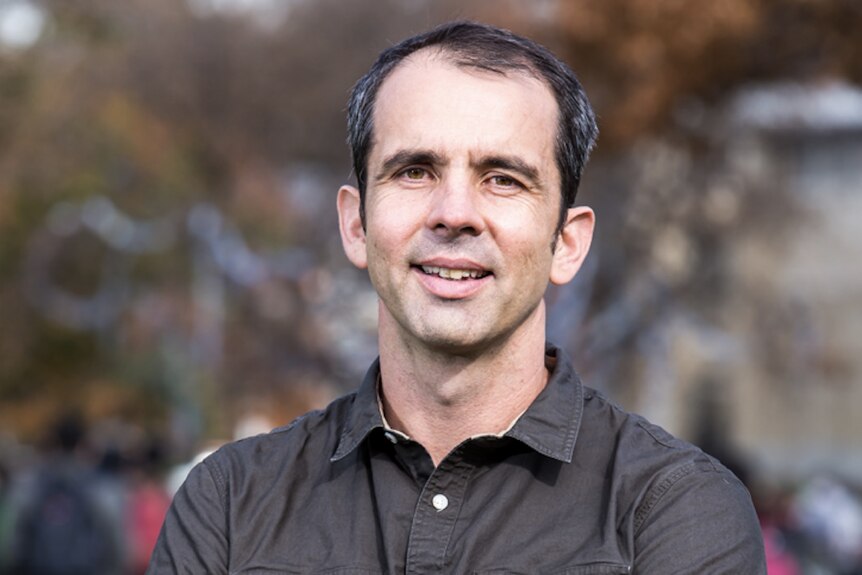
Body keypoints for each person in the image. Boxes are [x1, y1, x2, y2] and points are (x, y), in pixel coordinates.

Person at [147, 21, 766, 573]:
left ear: (567, 243)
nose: (455, 214)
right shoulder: (229, 505)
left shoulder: (674, 510)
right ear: (356, 224)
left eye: (503, 179)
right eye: (415, 171)